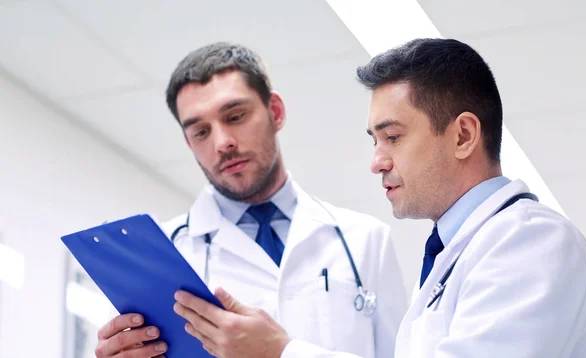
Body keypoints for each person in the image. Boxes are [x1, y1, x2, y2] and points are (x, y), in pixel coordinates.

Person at [176, 38, 586, 358]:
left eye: (393, 137)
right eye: (374, 140)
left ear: (464, 135)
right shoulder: (456, 255)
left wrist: (283, 351)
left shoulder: (531, 242)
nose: (376, 162)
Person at [93, 42, 407, 358]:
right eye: (201, 132)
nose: (222, 143)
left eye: (235, 116)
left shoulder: (365, 241)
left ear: (276, 112)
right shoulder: (162, 257)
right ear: (189, 143)